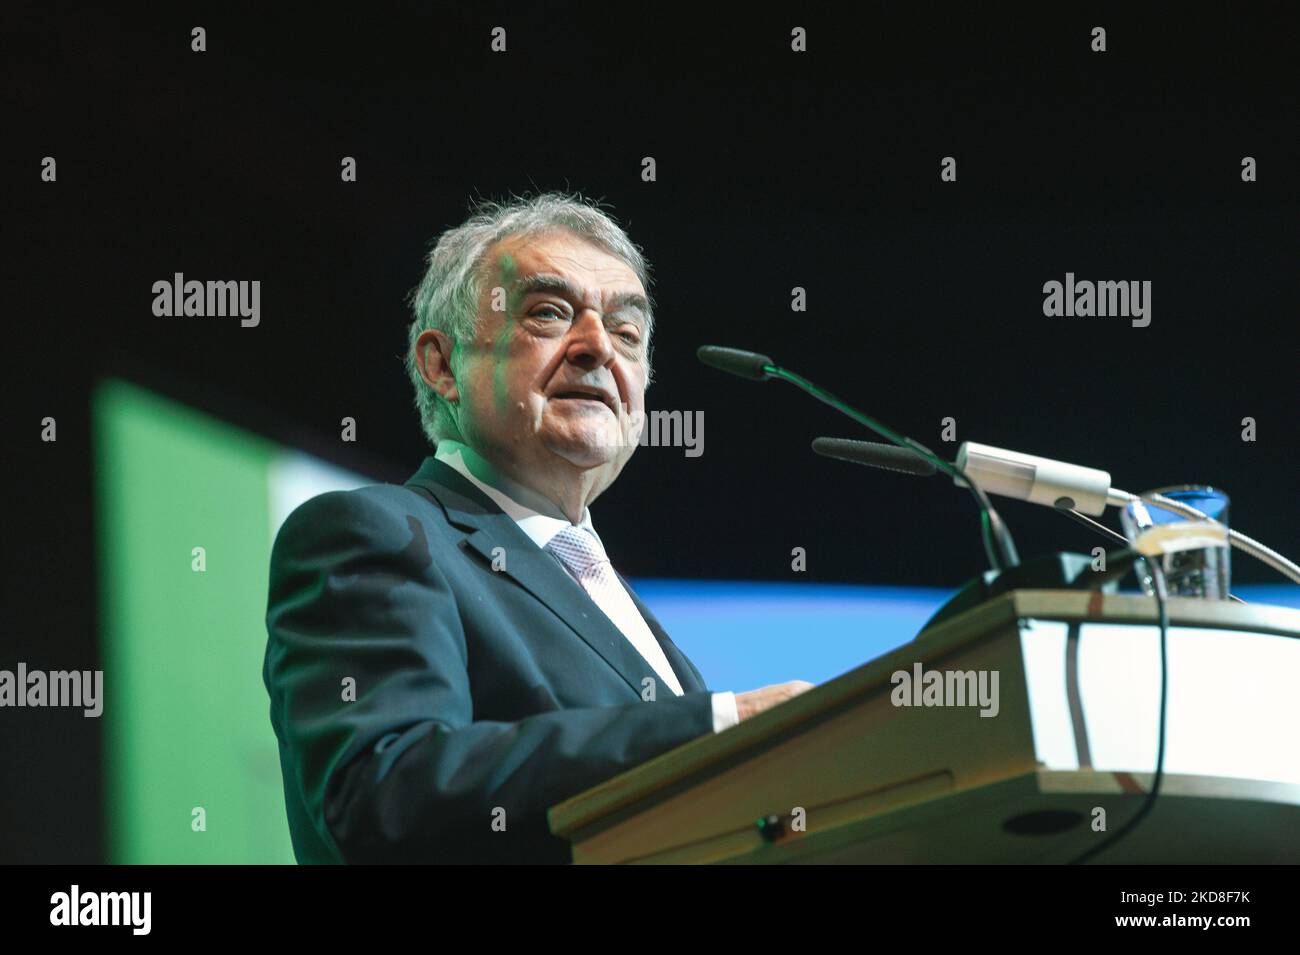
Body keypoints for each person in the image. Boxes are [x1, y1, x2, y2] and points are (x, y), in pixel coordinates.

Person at [263, 192, 813, 863]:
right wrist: (722, 724)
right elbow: (386, 791)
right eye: (549, 313)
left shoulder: (630, 614)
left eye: (627, 333)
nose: (596, 349)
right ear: (440, 365)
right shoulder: (373, 533)